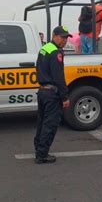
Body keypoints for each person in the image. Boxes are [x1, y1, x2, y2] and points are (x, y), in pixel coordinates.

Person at [34, 26, 72, 164]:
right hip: (51, 93)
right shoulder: (56, 52)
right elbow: (58, 77)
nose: (65, 40)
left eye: (67, 37)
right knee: (50, 124)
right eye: (62, 37)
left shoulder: (45, 48)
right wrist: (65, 97)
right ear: (54, 35)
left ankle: (38, 150)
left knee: (42, 123)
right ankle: (42, 155)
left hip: (43, 91)